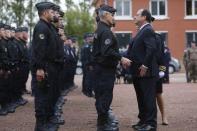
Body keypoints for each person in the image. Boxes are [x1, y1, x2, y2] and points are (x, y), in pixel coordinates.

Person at [92, 5, 131, 131]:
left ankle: (102, 123)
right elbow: (106, 51)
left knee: (101, 96)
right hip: (104, 70)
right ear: (105, 15)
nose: (113, 17)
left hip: (101, 69)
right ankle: (103, 126)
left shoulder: (100, 29)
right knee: (105, 97)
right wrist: (121, 58)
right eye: (112, 14)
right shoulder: (105, 31)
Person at [31, 2, 62, 131]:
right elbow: (39, 50)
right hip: (44, 67)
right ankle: (40, 125)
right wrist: (39, 68)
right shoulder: (41, 27)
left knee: (48, 95)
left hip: (50, 66)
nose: (53, 14)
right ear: (44, 13)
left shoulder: (48, 27)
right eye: (50, 12)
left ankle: (47, 121)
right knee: (42, 96)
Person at [127, 9, 158, 131]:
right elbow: (136, 50)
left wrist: (145, 65)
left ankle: (151, 124)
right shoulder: (141, 30)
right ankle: (143, 120)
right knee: (141, 98)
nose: (134, 16)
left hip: (146, 72)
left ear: (144, 17)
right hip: (137, 71)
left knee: (148, 98)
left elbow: (151, 49)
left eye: (137, 14)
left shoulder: (148, 30)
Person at [81, 33, 95, 97]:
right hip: (88, 65)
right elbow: (86, 57)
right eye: (90, 37)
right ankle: (88, 92)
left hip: (89, 64)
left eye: (92, 37)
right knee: (88, 79)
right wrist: (89, 65)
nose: (92, 38)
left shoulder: (89, 45)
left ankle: (87, 91)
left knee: (89, 78)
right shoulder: (87, 46)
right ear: (88, 38)